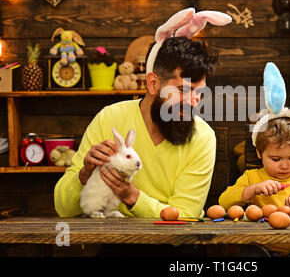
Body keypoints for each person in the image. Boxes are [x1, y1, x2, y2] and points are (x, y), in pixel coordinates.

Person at [54, 36, 218, 219]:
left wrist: (132, 197)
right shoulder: (109, 118)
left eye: (200, 92)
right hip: (115, 241)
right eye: (183, 90)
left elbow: (187, 215)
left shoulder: (203, 137)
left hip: (179, 244)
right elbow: (63, 209)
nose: (193, 102)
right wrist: (84, 175)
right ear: (153, 84)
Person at [219, 117, 290, 256]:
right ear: (260, 153)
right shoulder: (252, 177)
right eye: (276, 159)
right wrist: (253, 189)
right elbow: (223, 202)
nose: (284, 165)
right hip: (261, 246)